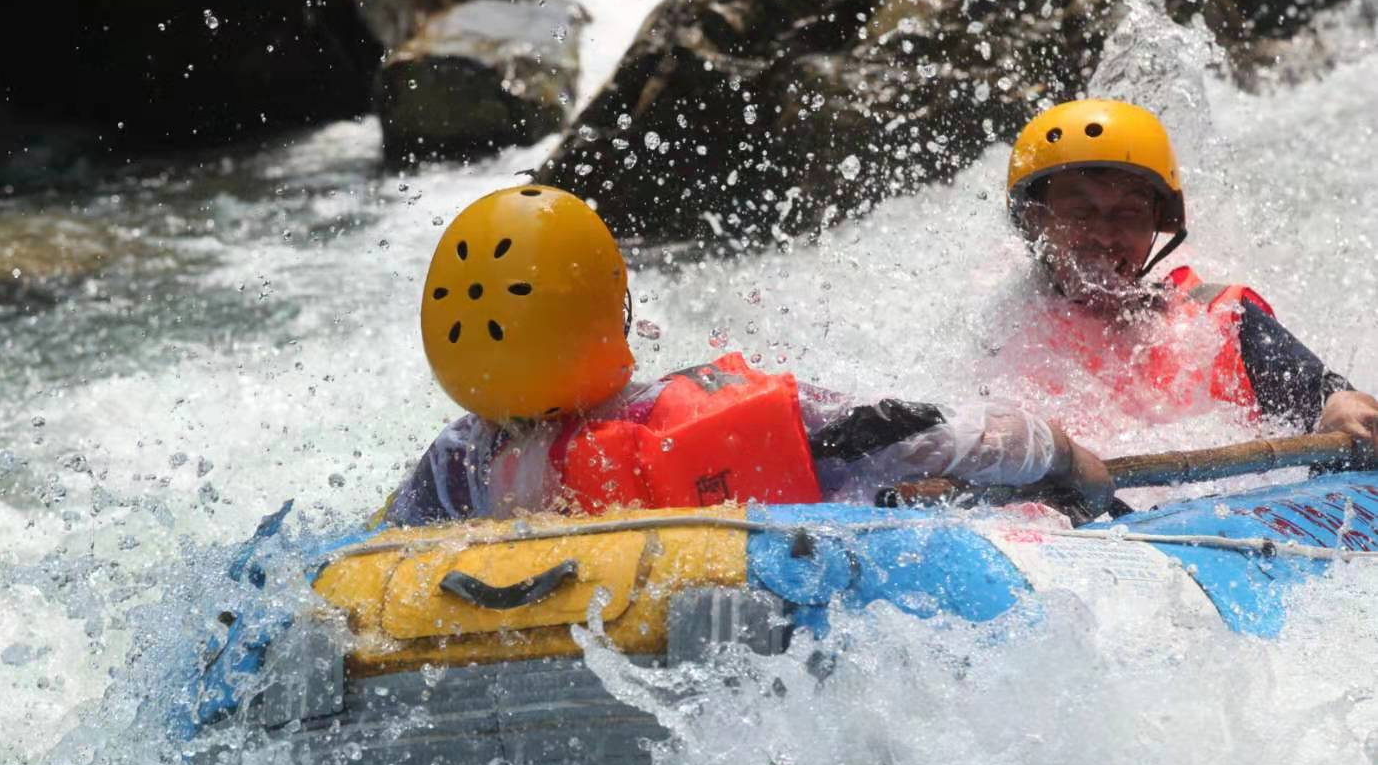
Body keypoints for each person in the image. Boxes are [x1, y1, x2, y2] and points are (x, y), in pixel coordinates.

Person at [384, 183, 1112, 526]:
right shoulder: (749, 422)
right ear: (611, 311)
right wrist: (1066, 458)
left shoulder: (458, 467)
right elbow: (938, 436)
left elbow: (377, 541)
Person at [999, 98, 1378, 443]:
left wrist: (1339, 406)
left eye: (1129, 213)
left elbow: (1328, 400)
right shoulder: (998, 332)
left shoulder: (1218, 319)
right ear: (1034, 223)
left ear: (1157, 224)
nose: (1104, 234)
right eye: (1081, 214)